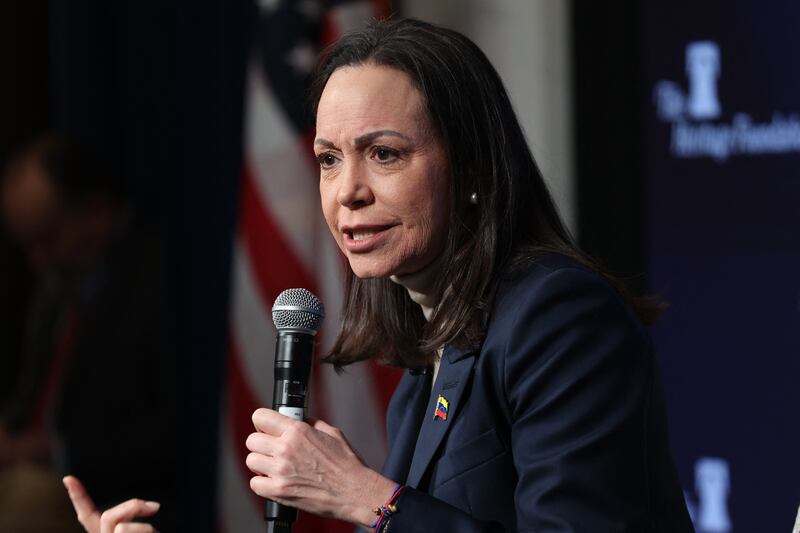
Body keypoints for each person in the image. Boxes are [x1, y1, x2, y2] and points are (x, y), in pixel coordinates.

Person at [64, 18, 695, 533]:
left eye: (385, 154)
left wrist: (367, 496)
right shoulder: (432, 356)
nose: (347, 193)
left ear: (472, 171)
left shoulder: (558, 316)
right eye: (329, 160)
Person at [0, 135, 183, 531]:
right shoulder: (56, 288)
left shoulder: (159, 281)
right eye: (28, 246)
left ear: (96, 211)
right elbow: (33, 399)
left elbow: (172, 434)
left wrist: (57, 451)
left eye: (48, 239)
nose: (38, 262)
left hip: (113, 497)